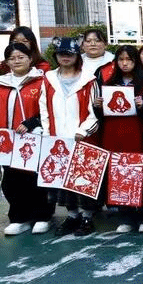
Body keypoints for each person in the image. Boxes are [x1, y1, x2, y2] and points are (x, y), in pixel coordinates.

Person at [39, 37, 99, 235]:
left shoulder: (89, 79)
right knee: (62, 181)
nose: (65, 57)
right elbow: (43, 109)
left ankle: (87, 217)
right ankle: (72, 216)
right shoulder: (48, 79)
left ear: (76, 56)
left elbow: (95, 113)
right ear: (56, 56)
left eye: (69, 54)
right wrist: (47, 134)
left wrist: (84, 131)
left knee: (83, 179)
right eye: (61, 54)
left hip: (82, 138)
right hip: (57, 139)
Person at [93, 45, 143, 233]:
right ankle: (126, 218)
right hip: (114, 134)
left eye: (129, 59)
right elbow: (99, 115)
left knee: (141, 176)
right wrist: (97, 106)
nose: (125, 63)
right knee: (119, 175)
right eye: (121, 59)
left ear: (136, 62)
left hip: (137, 134)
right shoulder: (107, 84)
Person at [0, 43, 50, 236]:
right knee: (11, 180)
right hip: (8, 140)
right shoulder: (2, 83)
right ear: (7, 62)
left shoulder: (42, 81)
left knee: (34, 178)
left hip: (33, 139)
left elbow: (49, 108)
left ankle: (42, 216)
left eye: (21, 57)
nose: (16, 61)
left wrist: (33, 122)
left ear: (30, 59)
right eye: (12, 58)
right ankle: (19, 217)